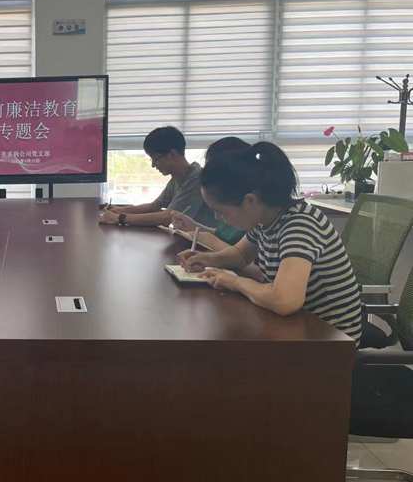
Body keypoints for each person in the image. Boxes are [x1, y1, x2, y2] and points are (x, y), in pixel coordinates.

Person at [178, 142, 363, 342]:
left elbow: (285, 300)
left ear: (250, 201)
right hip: (299, 327)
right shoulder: (265, 220)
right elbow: (240, 255)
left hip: (330, 342)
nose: (218, 218)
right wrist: (207, 259)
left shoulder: (299, 225)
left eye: (221, 211)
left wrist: (235, 282)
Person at [99, 125, 216, 228]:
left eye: (155, 159)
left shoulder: (196, 179)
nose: (153, 165)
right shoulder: (178, 177)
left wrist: (119, 218)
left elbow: (168, 218)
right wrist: (118, 210)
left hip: (204, 243)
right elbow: (154, 206)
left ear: (172, 154)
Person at [169, 137, 249, 251]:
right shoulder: (230, 201)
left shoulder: (251, 209)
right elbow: (224, 236)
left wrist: (210, 240)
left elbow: (246, 256)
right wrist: (194, 226)